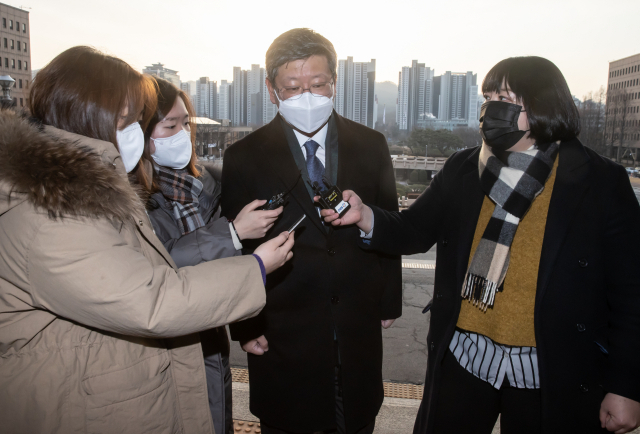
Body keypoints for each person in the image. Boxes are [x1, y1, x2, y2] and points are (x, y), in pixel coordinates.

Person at [320, 56, 640, 434]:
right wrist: (366, 217)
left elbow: (630, 293)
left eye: (503, 97)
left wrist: (626, 387)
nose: (490, 109)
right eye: (487, 98)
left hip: (550, 371)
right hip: (466, 360)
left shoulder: (601, 182)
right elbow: (413, 229)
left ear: (540, 104)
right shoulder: (463, 168)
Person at [0, 46, 294, 434]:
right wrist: (254, 267)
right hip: (79, 403)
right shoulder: (51, 212)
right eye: (130, 120)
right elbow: (153, 300)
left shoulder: (85, 189)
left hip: (112, 384)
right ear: (90, 115)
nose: (137, 134)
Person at [221, 28, 402, 434]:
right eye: (292, 86)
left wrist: (390, 300)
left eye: (318, 84)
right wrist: (246, 326)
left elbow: (389, 220)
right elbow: (236, 249)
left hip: (356, 324)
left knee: (355, 419)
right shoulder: (244, 156)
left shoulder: (371, 144)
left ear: (334, 82)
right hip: (283, 332)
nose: (307, 95)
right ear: (271, 90)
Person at [138, 77, 283, 434]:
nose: (182, 134)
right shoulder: (129, 195)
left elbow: (224, 268)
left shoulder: (202, 185)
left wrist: (245, 326)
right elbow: (160, 266)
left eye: (186, 123)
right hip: (164, 344)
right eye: (170, 125)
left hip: (210, 336)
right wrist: (232, 233)